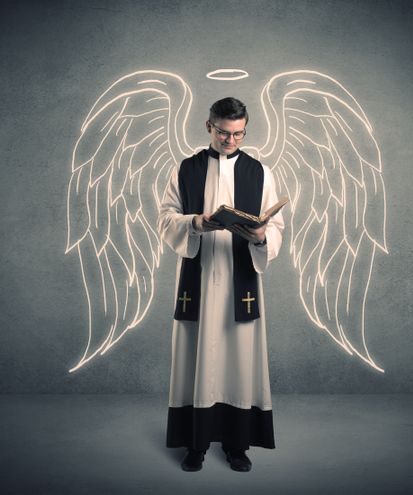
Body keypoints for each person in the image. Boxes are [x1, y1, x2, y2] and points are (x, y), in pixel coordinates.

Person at [157, 97, 284, 472]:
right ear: (208, 126)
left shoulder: (260, 172)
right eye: (224, 133)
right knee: (196, 357)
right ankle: (195, 444)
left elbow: (275, 228)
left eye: (239, 133)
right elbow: (165, 219)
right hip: (198, 278)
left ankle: (236, 444)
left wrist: (260, 236)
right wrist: (196, 224)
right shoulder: (184, 169)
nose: (231, 140)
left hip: (239, 281)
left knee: (239, 362)